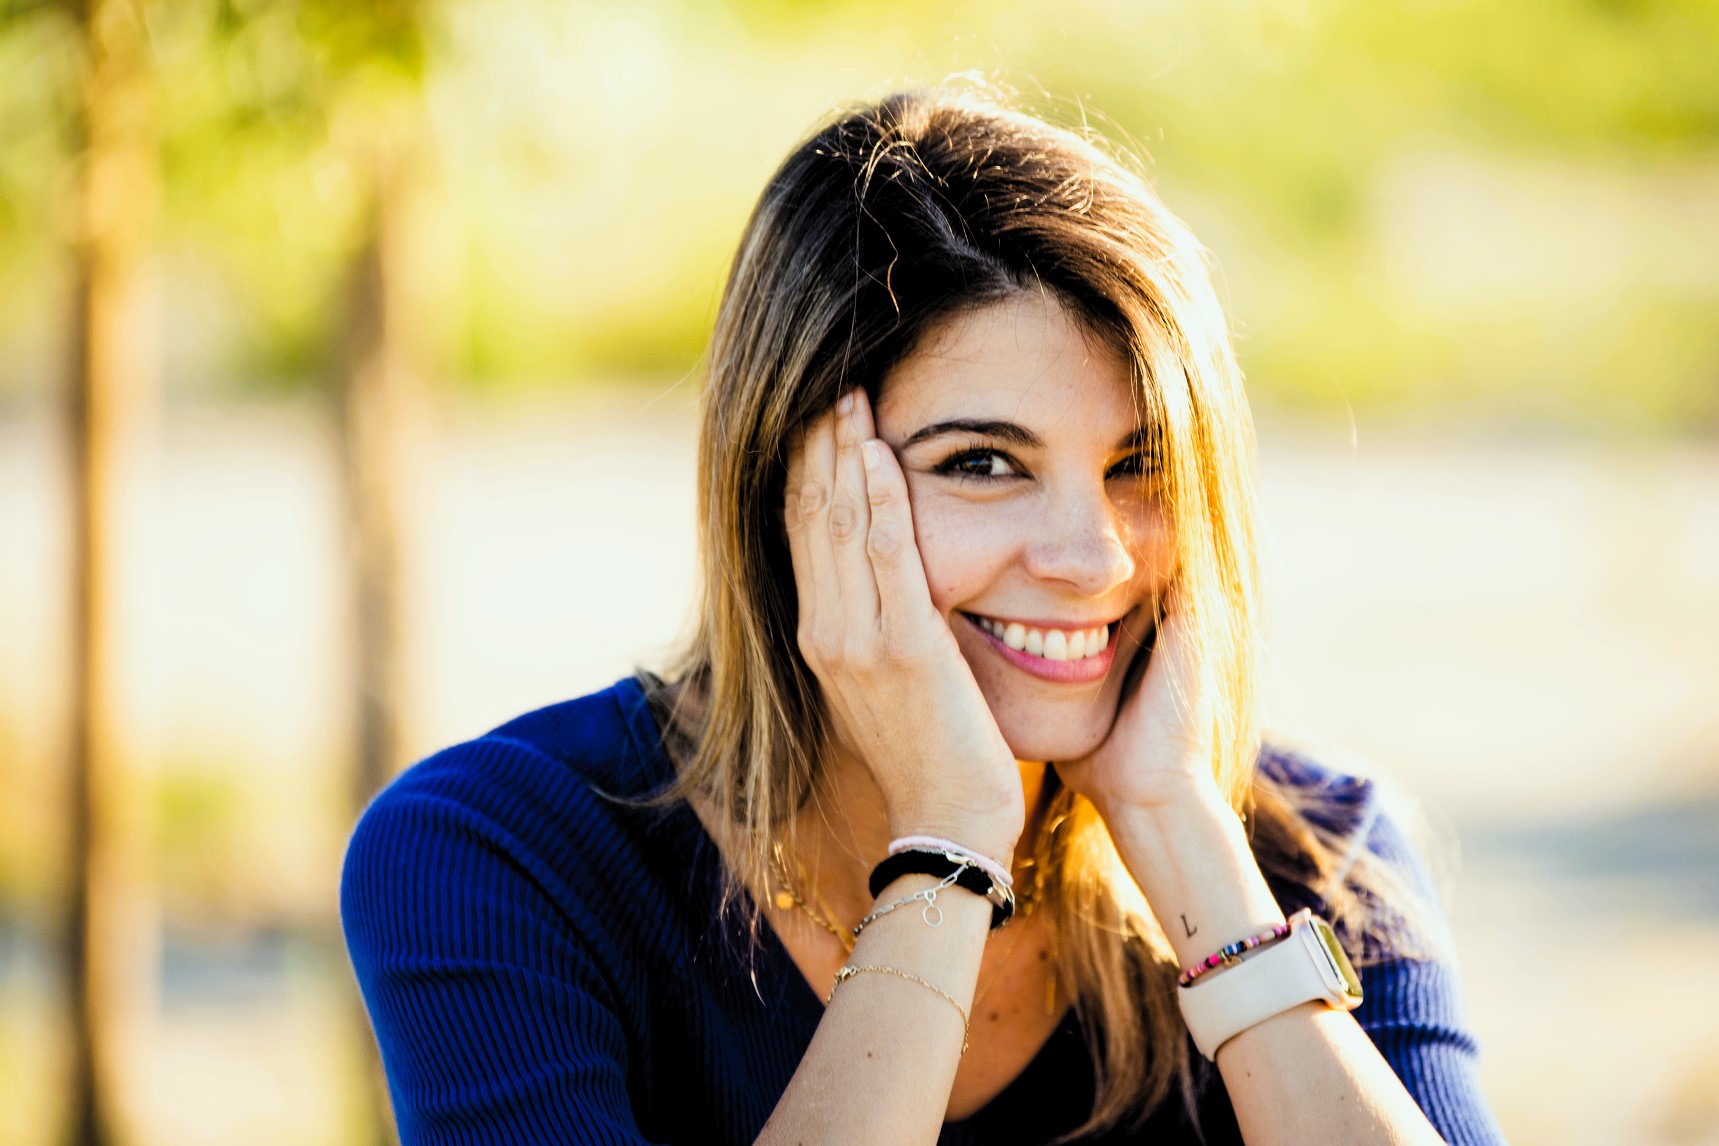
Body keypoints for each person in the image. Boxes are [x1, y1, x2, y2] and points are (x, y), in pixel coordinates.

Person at [340, 85, 1507, 1145]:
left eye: (1141, 462)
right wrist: (949, 845)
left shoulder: (1320, 855)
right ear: (792, 489)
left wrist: (1179, 831)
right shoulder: (493, 857)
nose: (1091, 557)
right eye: (986, 463)